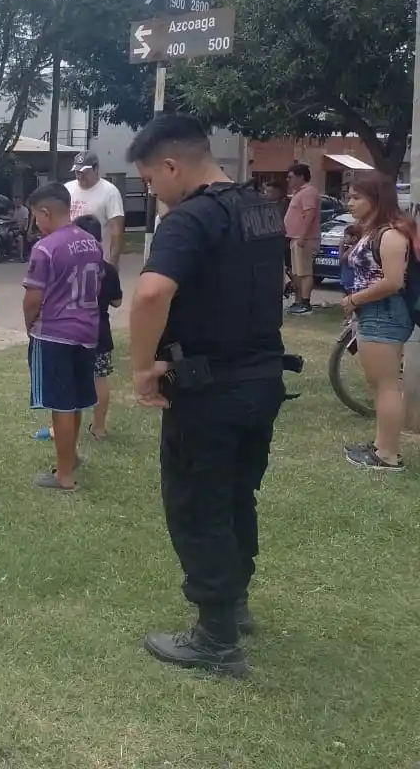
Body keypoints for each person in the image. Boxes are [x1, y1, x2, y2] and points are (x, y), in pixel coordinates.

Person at [126, 113, 288, 677]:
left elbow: (151, 294)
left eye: (150, 179)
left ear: (172, 166)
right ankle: (234, 604)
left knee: (198, 504)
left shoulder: (190, 218)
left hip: (208, 390)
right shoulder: (261, 208)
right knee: (238, 495)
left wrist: (141, 369)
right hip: (262, 380)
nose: (153, 191)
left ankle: (216, 638)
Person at [22, 183, 102, 493]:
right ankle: (71, 457)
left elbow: (32, 298)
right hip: (87, 332)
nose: (36, 224)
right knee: (76, 400)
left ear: (45, 212)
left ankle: (64, 476)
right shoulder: (92, 242)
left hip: (55, 334)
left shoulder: (46, 248)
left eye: (36, 217)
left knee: (61, 405)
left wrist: (29, 325)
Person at [339, 172, 413, 472]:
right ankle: (381, 445)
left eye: (357, 197)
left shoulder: (391, 234)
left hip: (384, 313)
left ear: (377, 199)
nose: (350, 203)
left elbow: (393, 282)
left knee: (386, 386)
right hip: (374, 312)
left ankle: (388, 455)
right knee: (379, 384)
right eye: (349, 196)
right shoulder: (373, 232)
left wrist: (355, 299)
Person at [73, 214, 123, 440]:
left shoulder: (70, 266)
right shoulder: (108, 269)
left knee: (71, 379)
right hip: (99, 331)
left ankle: (63, 427)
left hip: (73, 330)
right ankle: (99, 427)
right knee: (100, 378)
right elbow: (117, 301)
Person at [66, 151, 125, 264]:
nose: (80, 177)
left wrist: (112, 264)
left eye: (85, 172)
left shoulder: (110, 192)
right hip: (71, 258)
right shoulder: (68, 189)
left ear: (96, 169)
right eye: (77, 172)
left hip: (98, 259)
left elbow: (116, 232)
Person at [283, 163, 320, 315]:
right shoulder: (299, 193)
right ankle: (299, 301)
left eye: (291, 177)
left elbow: (309, 215)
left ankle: (305, 303)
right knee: (297, 272)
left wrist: (303, 236)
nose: (288, 180)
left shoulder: (308, 192)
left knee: (305, 272)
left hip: (304, 239)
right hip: (295, 238)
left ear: (301, 177)